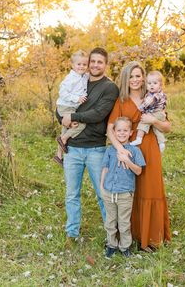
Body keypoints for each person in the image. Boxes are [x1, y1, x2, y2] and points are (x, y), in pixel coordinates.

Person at [56, 47, 119, 242]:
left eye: (100, 62)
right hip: (73, 149)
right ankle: (71, 233)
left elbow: (98, 114)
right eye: (92, 61)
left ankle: (112, 235)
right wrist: (61, 118)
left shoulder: (109, 88)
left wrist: (72, 116)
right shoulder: (79, 80)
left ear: (105, 64)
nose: (95, 65)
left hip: (95, 149)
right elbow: (62, 104)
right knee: (72, 194)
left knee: (103, 194)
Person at [107, 61, 171, 251]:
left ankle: (150, 237)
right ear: (126, 79)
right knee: (129, 191)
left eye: (138, 75)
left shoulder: (153, 95)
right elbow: (110, 129)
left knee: (150, 188)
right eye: (131, 76)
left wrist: (153, 120)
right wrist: (120, 149)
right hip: (128, 150)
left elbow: (167, 126)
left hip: (149, 146)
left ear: (143, 77)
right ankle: (131, 234)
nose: (135, 80)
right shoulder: (121, 101)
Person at [100, 117, 145, 258]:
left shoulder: (135, 151)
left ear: (131, 132)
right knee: (110, 221)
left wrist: (127, 160)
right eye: (118, 130)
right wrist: (102, 186)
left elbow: (138, 171)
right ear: (114, 132)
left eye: (125, 130)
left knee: (124, 223)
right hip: (108, 191)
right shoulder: (110, 150)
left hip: (125, 193)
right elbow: (105, 168)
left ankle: (125, 247)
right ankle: (111, 245)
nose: (122, 133)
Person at [54, 51, 89, 166]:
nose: (81, 67)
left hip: (70, 107)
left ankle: (58, 156)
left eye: (84, 64)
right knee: (80, 125)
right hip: (66, 106)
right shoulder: (71, 78)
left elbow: (89, 77)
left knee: (65, 129)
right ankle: (64, 139)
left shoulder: (83, 76)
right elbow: (62, 93)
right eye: (78, 64)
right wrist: (77, 98)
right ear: (73, 65)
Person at [130, 70, 167, 152]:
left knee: (144, 121)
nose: (152, 85)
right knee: (156, 128)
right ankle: (161, 142)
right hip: (160, 113)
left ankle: (139, 138)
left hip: (155, 113)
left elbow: (146, 104)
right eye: (149, 83)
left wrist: (140, 108)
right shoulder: (160, 93)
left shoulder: (154, 96)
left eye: (154, 83)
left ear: (160, 85)